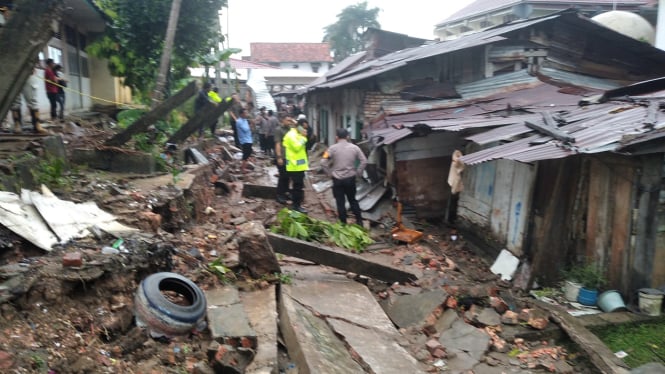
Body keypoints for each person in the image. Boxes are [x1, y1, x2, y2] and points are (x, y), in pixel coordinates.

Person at [322, 128, 368, 226]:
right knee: (352, 200)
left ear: (336, 137)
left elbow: (323, 162)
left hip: (337, 180)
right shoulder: (355, 148)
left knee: (340, 202)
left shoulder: (331, 148)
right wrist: (358, 173)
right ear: (347, 137)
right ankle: (359, 222)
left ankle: (343, 224)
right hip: (350, 178)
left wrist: (329, 173)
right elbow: (364, 161)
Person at [282, 119, 309, 213]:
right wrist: (304, 138)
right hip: (294, 166)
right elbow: (297, 147)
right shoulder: (291, 135)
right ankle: (296, 206)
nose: (305, 130)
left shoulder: (297, 134)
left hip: (299, 166)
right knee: (297, 187)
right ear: (299, 126)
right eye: (304, 128)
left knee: (298, 187)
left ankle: (297, 205)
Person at [10, 66, 47, 134]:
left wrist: (33, 65)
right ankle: (17, 124)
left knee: (33, 100)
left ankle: (37, 124)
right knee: (15, 102)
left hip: (28, 72)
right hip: (12, 73)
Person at [236, 108, 253, 173]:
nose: (246, 114)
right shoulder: (239, 121)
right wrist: (251, 124)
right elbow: (246, 129)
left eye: (246, 113)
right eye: (245, 113)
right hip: (244, 140)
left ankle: (244, 167)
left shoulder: (245, 120)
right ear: (241, 114)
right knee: (246, 154)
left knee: (248, 153)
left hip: (249, 139)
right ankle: (243, 168)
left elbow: (249, 130)